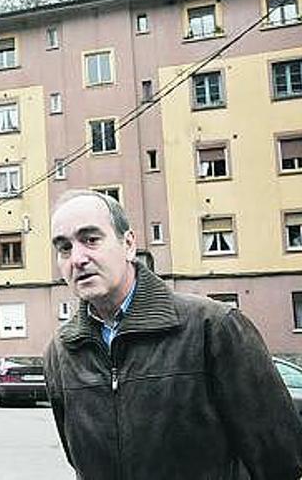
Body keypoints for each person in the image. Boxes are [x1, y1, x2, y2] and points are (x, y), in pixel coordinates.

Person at [44, 189, 302, 480]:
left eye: (91, 240)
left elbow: (280, 461)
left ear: (128, 244)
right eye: (64, 248)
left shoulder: (213, 327)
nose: (77, 258)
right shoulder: (61, 353)